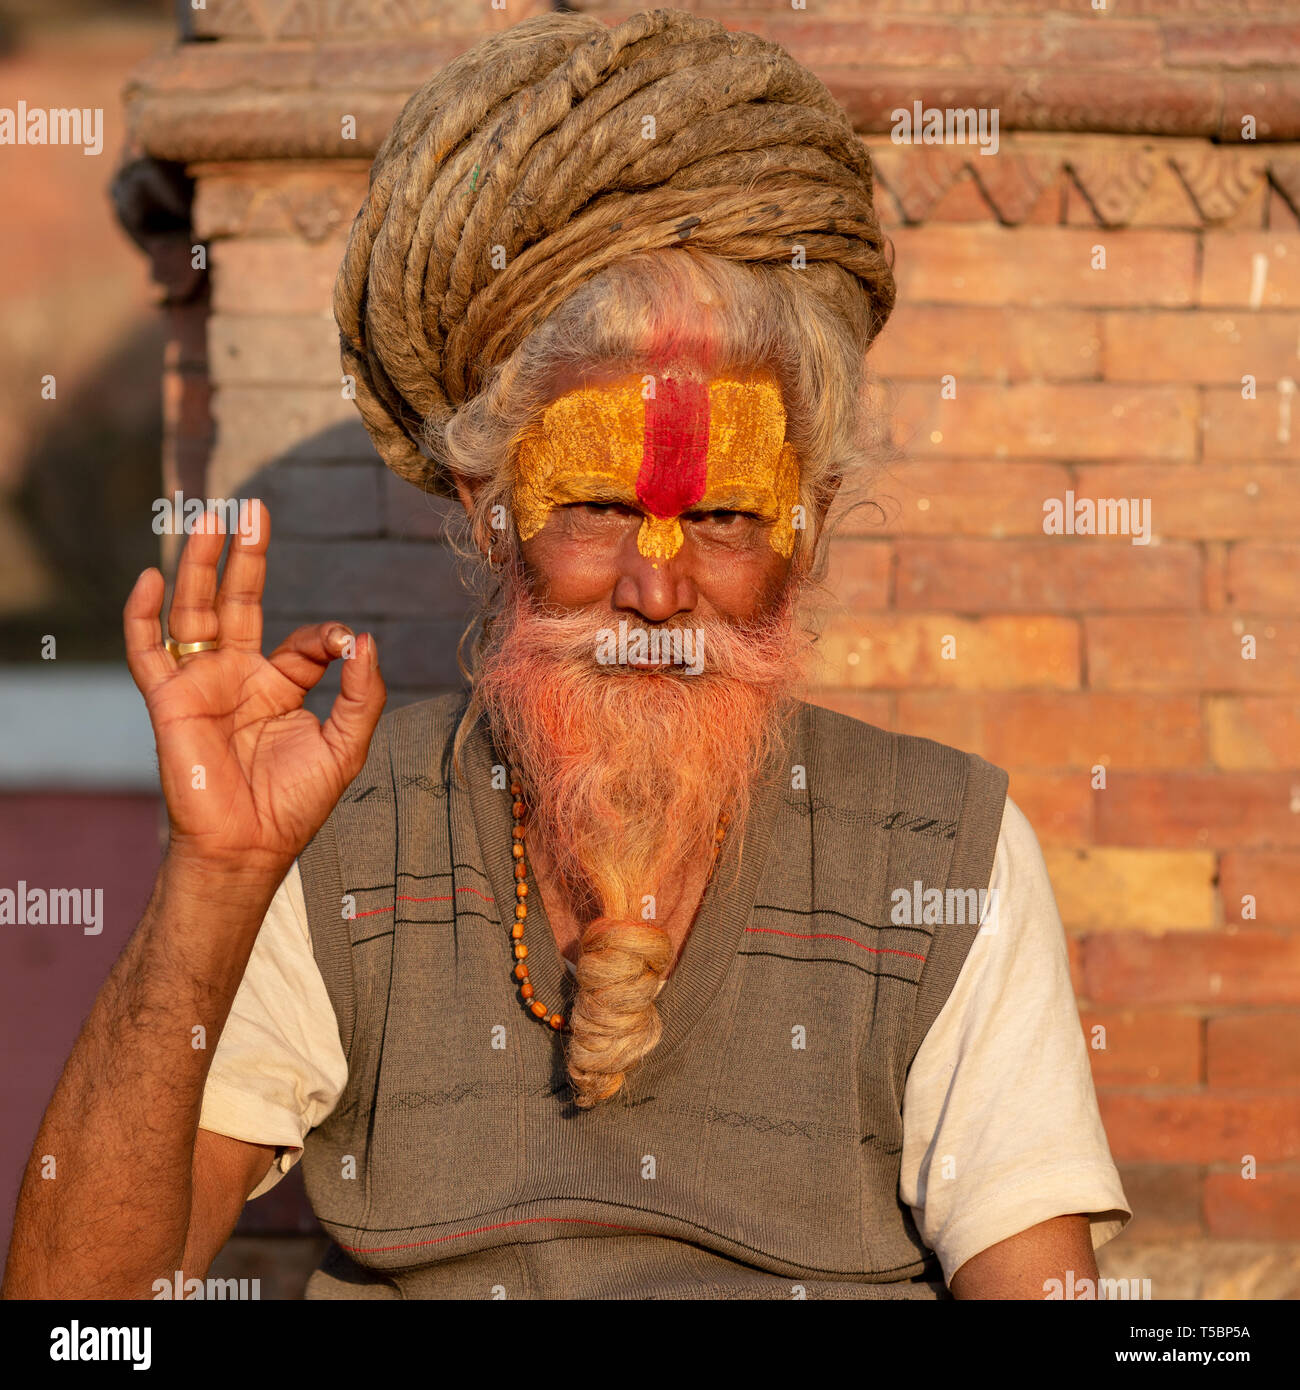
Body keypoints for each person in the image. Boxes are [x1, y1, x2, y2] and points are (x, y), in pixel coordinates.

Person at [3, 8, 1129, 1300]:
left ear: (805, 537)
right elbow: (75, 1318)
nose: (657, 588)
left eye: (722, 516)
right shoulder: (344, 830)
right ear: (493, 518)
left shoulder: (944, 851)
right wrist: (218, 872)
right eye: (596, 507)